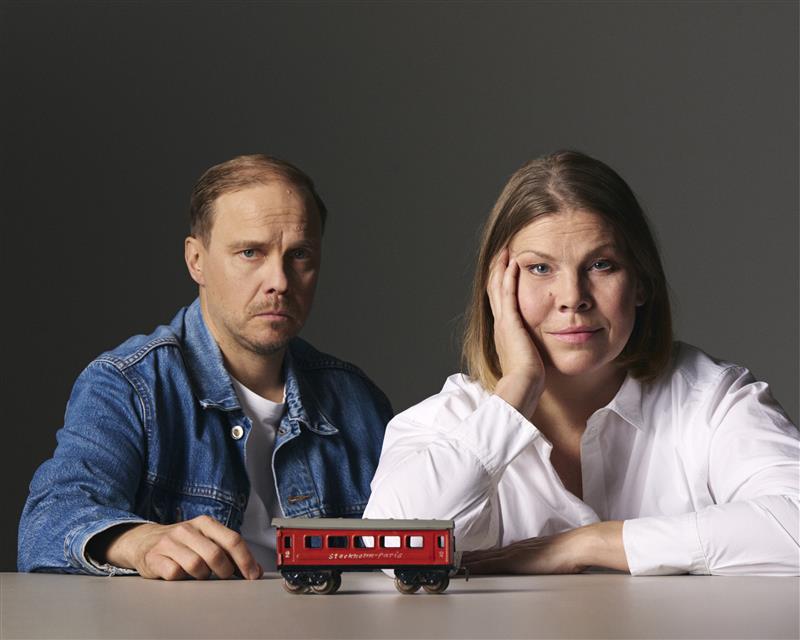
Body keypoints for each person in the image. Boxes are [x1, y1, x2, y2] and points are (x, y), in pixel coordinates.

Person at [363, 150, 799, 576]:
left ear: (641, 282)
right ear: (497, 290)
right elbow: (389, 545)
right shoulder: (447, 420)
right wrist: (516, 390)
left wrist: (591, 543)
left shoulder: (711, 399)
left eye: (601, 265)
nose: (573, 297)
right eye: (540, 269)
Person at [19, 154, 393, 580]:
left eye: (300, 255)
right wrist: (139, 542)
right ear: (196, 260)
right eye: (250, 252)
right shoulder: (130, 384)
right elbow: (47, 523)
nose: (280, 281)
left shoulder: (357, 400)